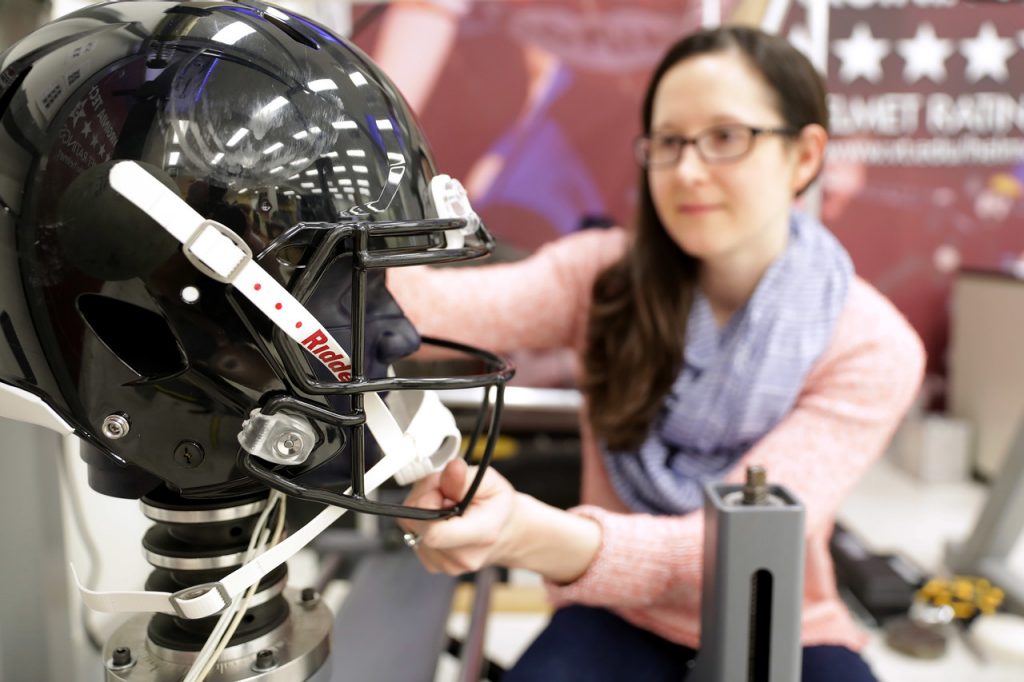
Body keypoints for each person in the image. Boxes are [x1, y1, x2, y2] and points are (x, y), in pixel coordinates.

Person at [387, 25, 925, 682]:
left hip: (783, 622)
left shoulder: (872, 344)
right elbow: (418, 309)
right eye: (669, 142)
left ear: (805, 156)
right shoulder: (603, 279)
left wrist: (524, 534)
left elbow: (729, 550)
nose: (689, 169)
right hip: (615, 612)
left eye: (726, 137)